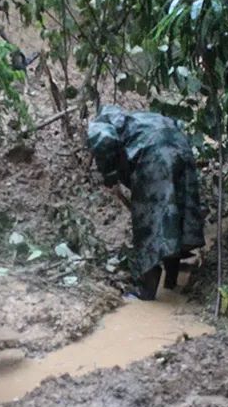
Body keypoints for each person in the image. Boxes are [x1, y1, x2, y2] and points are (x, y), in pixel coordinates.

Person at [87, 104, 206, 300]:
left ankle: (146, 289)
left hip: (154, 155)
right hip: (182, 148)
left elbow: (104, 140)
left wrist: (109, 175)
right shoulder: (140, 120)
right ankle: (171, 281)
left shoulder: (104, 121)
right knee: (176, 214)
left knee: (149, 222)